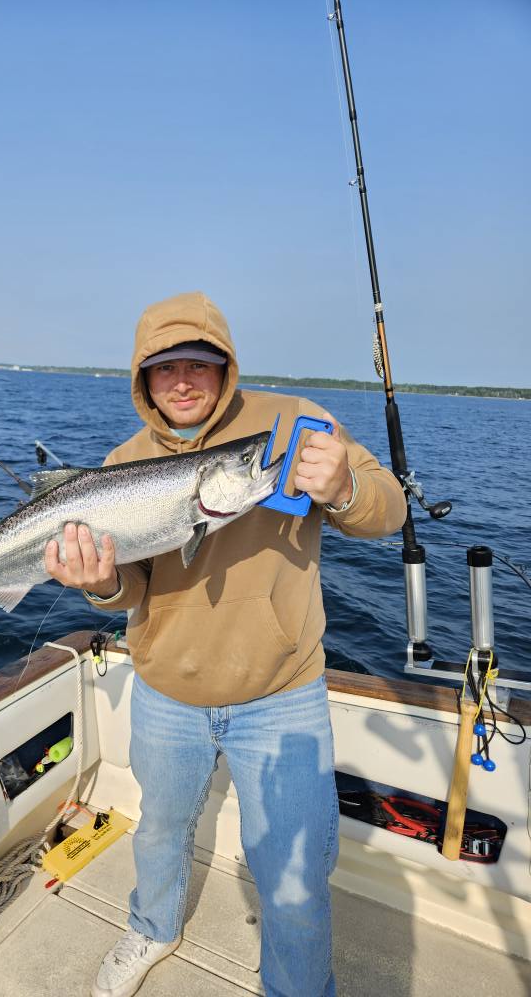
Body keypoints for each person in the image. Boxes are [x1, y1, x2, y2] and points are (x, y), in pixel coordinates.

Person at [45, 291, 406, 997]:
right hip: (165, 692)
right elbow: (131, 591)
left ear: (226, 366)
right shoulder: (123, 461)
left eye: (199, 364)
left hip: (282, 696)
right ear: (142, 378)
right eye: (164, 368)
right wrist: (100, 585)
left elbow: (386, 508)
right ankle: (153, 927)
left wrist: (343, 489)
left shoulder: (293, 423)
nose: (182, 381)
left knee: (295, 877)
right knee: (158, 833)